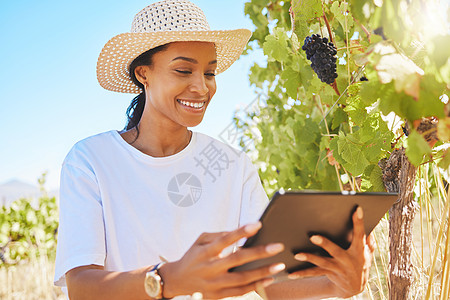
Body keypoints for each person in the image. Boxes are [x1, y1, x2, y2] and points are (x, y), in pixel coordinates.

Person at [53, 0, 375, 299]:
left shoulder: (233, 165)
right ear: (143, 73)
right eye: (183, 70)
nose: (202, 86)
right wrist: (168, 279)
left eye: (209, 72)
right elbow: (81, 285)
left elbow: (268, 281)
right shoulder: (91, 161)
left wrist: (337, 285)